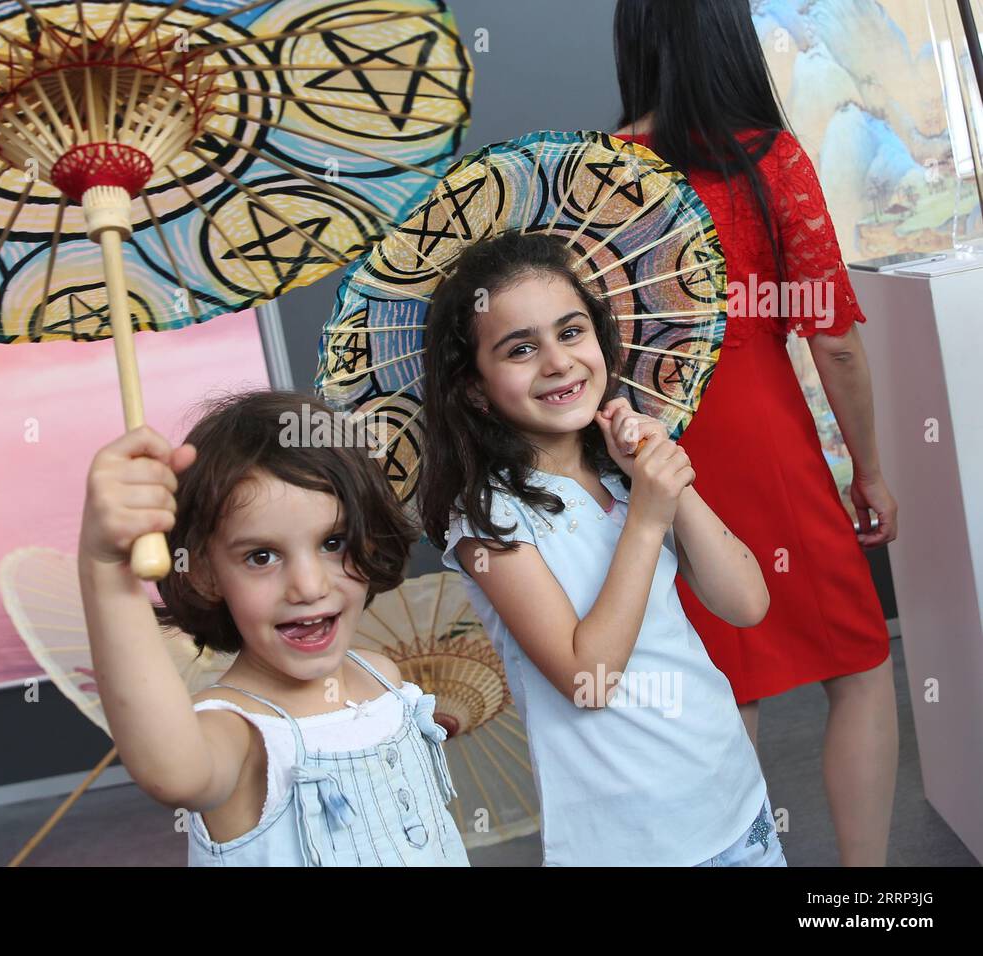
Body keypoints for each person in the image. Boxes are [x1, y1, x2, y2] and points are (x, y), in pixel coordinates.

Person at [612, 0, 899, 866]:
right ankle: (863, 897)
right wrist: (871, 470)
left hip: (656, 445)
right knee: (859, 662)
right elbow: (836, 343)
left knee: (722, 676)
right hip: (768, 437)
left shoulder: (599, 170)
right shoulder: (768, 158)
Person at [422, 230, 784, 866]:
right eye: (519, 349)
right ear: (476, 389)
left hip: (732, 795)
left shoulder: (622, 472)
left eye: (570, 332)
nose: (557, 362)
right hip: (633, 841)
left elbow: (748, 602)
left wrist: (666, 479)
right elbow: (587, 680)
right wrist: (645, 521)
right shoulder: (485, 521)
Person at [78, 390, 469, 866]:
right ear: (202, 571)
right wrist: (105, 565)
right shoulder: (235, 730)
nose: (308, 586)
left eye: (333, 542)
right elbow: (173, 772)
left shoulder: (383, 675)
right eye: (261, 556)